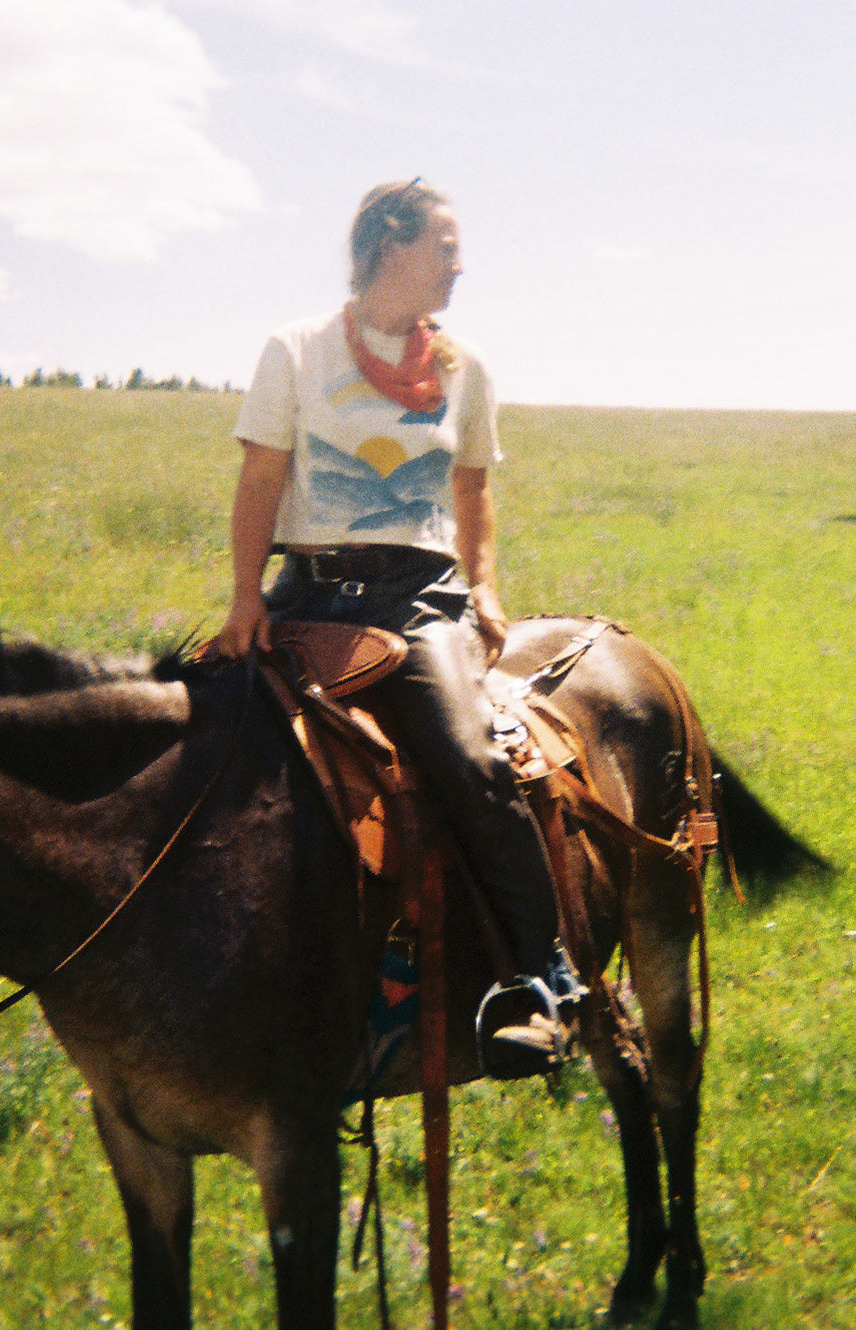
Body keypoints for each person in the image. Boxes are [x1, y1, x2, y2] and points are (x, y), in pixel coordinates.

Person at [212, 177, 582, 1077]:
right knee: (201, 741)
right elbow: (263, 479)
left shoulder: (466, 368)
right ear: (390, 245)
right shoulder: (296, 350)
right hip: (306, 595)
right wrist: (244, 596)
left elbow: (473, 488)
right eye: (445, 246)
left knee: (472, 759)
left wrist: (484, 587)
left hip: (418, 603)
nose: (460, 264)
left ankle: (544, 980)